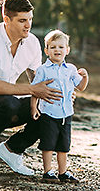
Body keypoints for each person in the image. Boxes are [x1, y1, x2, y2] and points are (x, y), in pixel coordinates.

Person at [0, 0, 62, 176]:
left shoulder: (32, 42)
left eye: (30, 19)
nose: (28, 25)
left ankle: (13, 150)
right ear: (6, 19)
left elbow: (38, 81)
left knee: (50, 104)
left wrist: (60, 93)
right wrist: (32, 89)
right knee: (8, 102)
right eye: (22, 20)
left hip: (8, 104)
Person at [30, 30, 89, 183]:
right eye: (53, 47)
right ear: (47, 50)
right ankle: (48, 171)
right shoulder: (43, 70)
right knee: (48, 144)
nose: (57, 50)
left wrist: (85, 77)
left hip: (66, 113)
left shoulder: (70, 69)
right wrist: (34, 107)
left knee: (64, 145)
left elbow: (80, 87)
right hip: (49, 112)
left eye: (61, 47)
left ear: (67, 50)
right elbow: (35, 90)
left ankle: (63, 172)